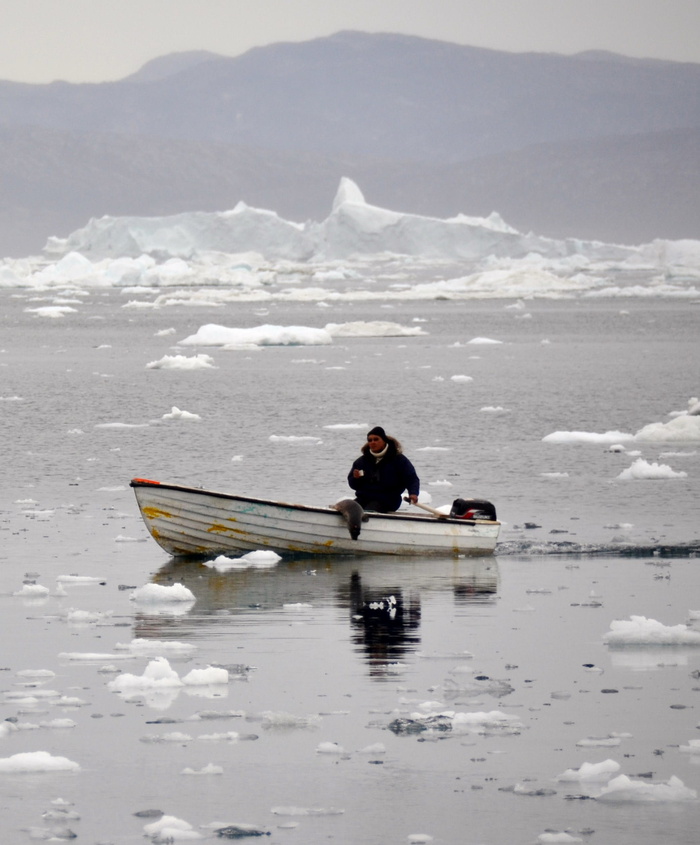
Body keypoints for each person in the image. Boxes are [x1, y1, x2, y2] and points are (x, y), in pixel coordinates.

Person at [348, 426, 420, 513]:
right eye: (370, 440)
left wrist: (413, 493)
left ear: (384, 441)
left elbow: (411, 478)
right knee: (348, 508)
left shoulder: (399, 460)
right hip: (364, 498)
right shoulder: (361, 462)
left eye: (376, 439)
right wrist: (355, 479)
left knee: (368, 511)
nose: (373, 442)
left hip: (388, 500)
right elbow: (353, 485)